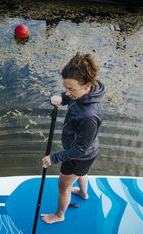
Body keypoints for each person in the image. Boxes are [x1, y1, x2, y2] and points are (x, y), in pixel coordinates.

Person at [41, 52, 105, 224]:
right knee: (81, 174)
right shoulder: (88, 92)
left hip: (79, 155)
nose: (68, 92)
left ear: (86, 86)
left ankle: (59, 215)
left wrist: (54, 158)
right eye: (66, 88)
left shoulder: (89, 116)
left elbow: (80, 149)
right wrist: (62, 98)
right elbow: (73, 97)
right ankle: (83, 194)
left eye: (71, 90)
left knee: (63, 186)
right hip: (88, 153)